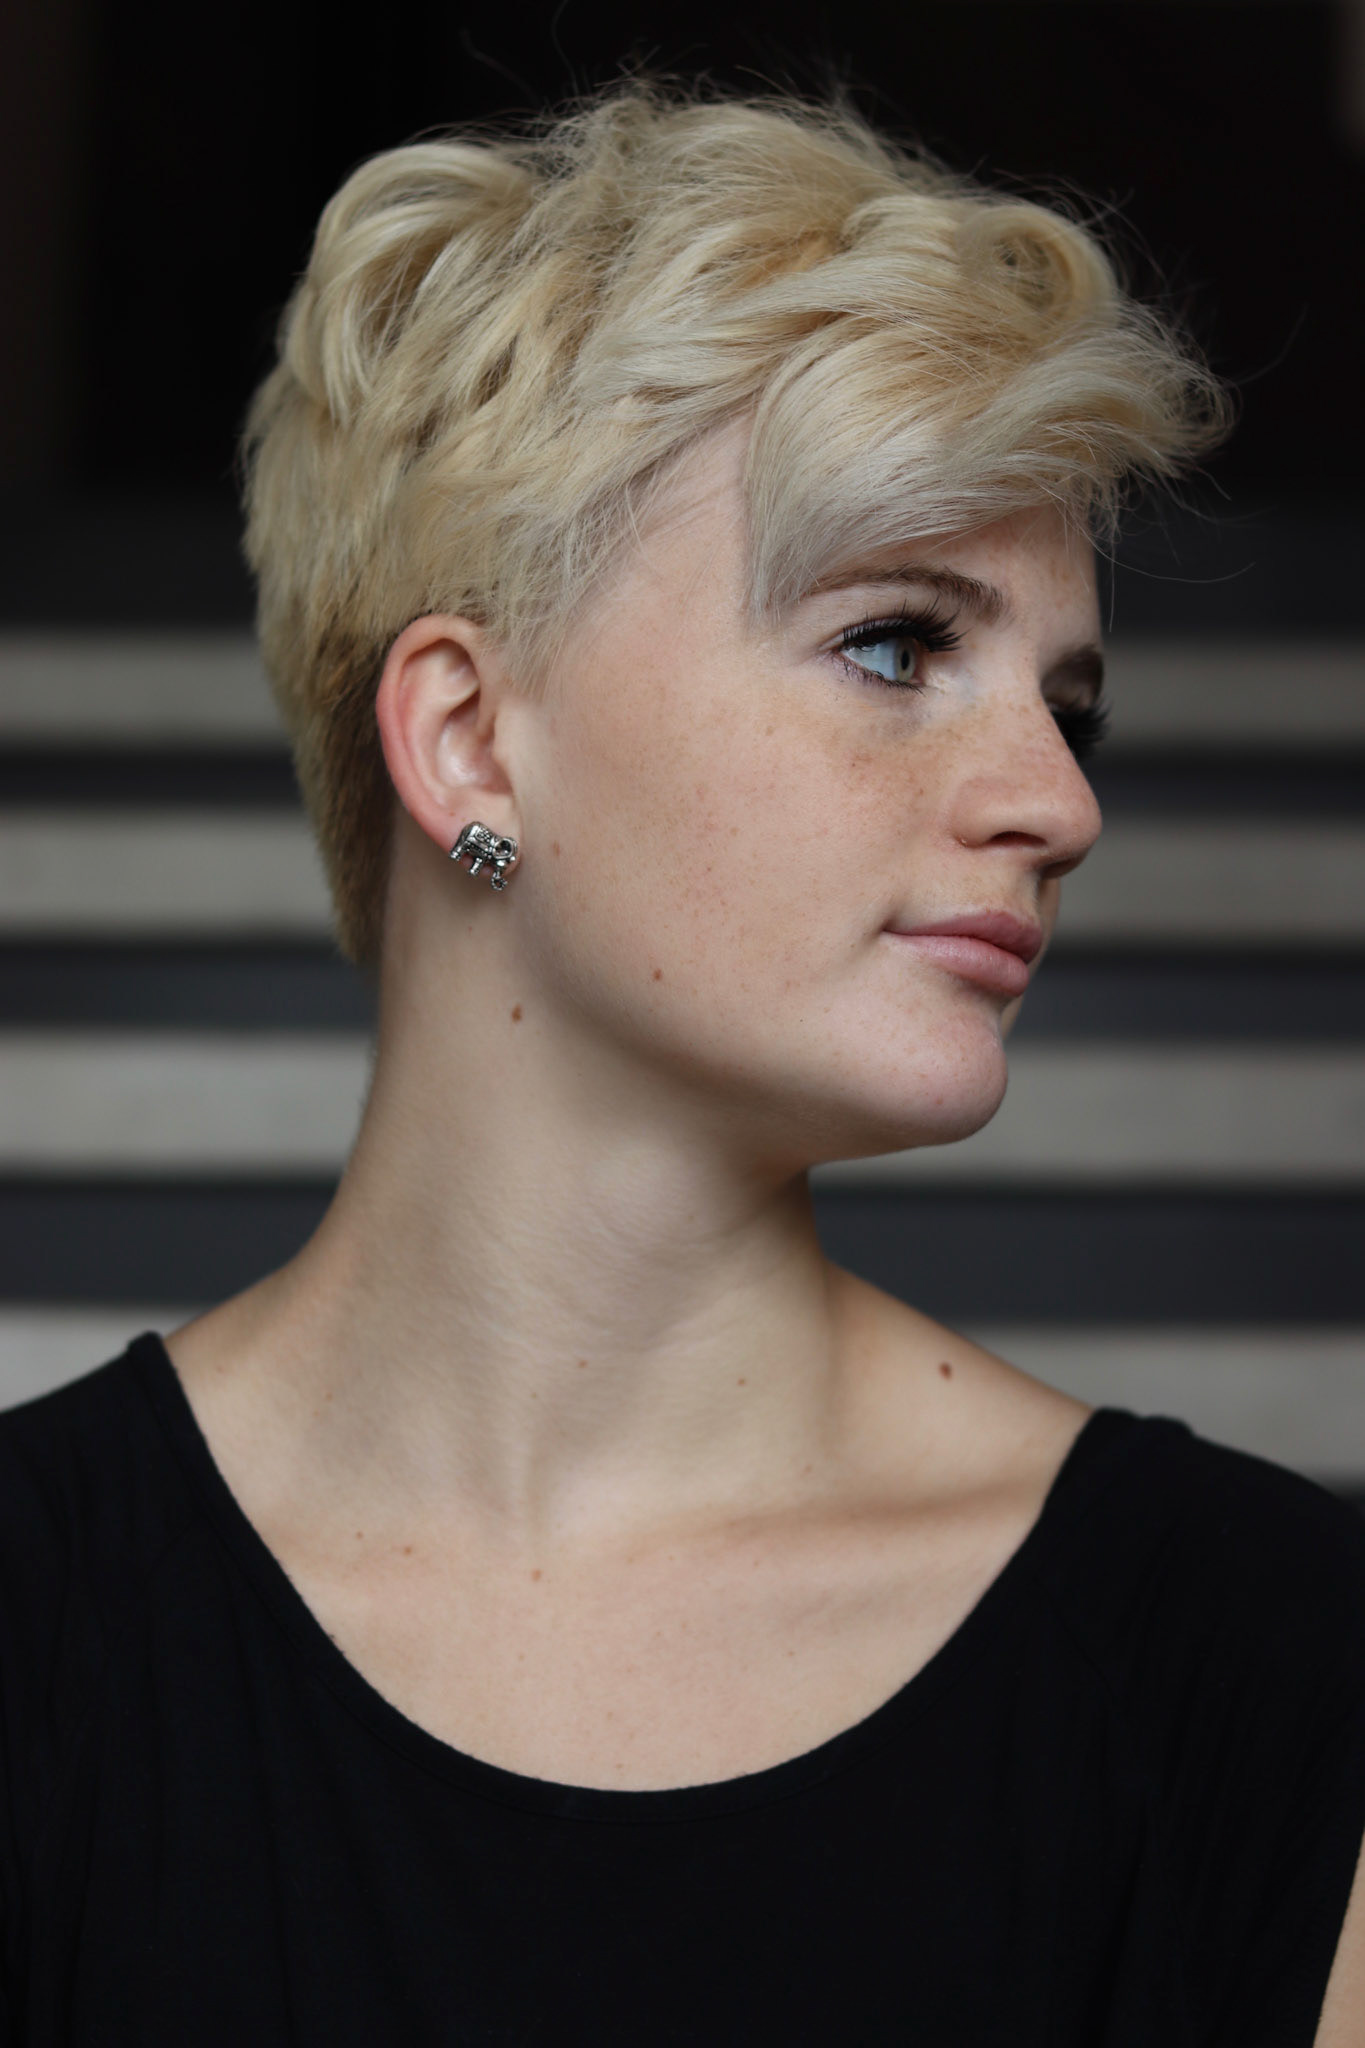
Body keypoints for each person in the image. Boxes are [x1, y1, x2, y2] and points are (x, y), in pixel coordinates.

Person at [2, 83, 1363, 2046]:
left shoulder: (1263, 1653)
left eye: (1066, 705)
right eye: (896, 645)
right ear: (469, 742)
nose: (1056, 802)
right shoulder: (39, 1632)